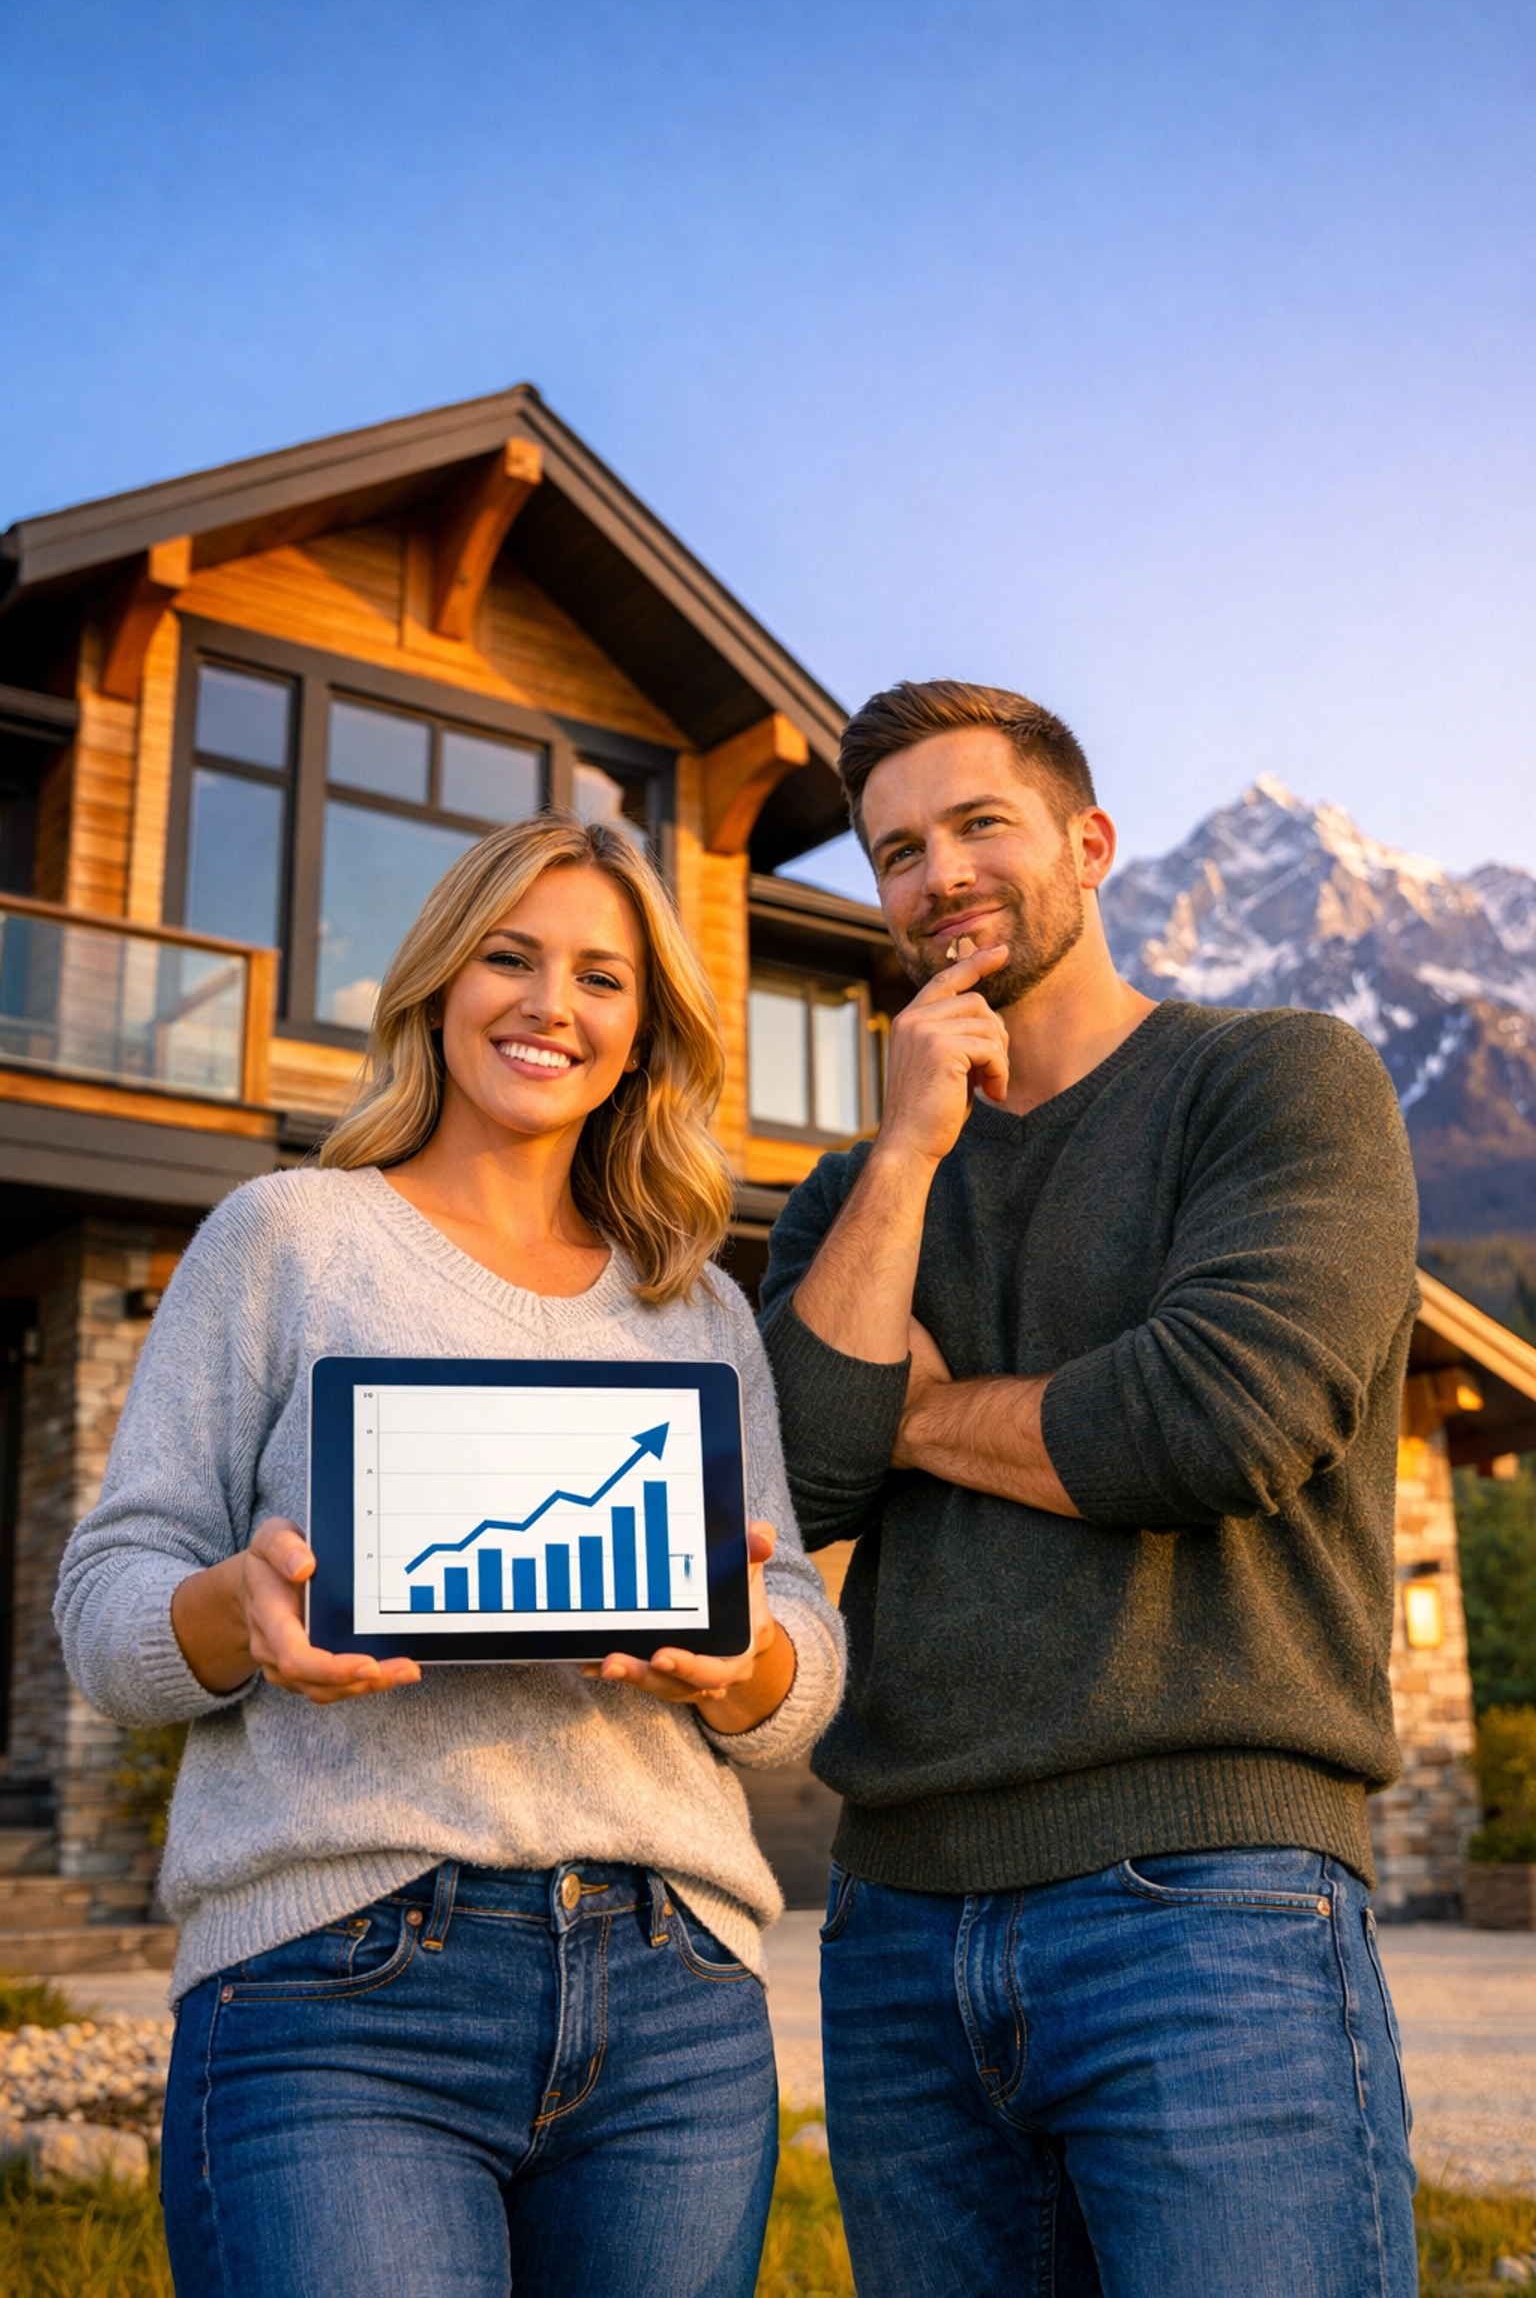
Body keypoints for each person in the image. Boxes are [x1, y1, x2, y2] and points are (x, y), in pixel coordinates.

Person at [56, 815, 844, 2298]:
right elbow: (107, 1608)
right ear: (434, 984)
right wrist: (237, 1613)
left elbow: (798, 1641)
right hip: (341, 1981)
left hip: (678, 1999)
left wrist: (753, 1663)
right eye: (511, 957)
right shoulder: (285, 1238)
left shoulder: (699, 1312)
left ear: (640, 1035)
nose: (553, 1004)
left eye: (601, 978)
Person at [759, 679, 1420, 2298]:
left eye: (981, 824)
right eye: (897, 850)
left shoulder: (1276, 1083)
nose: (940, 876)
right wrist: (910, 1152)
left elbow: (1215, 1423)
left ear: (1090, 843)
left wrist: (921, 1415)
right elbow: (797, 1477)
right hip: (899, 1929)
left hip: (1209, 1899)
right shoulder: (853, 1196)